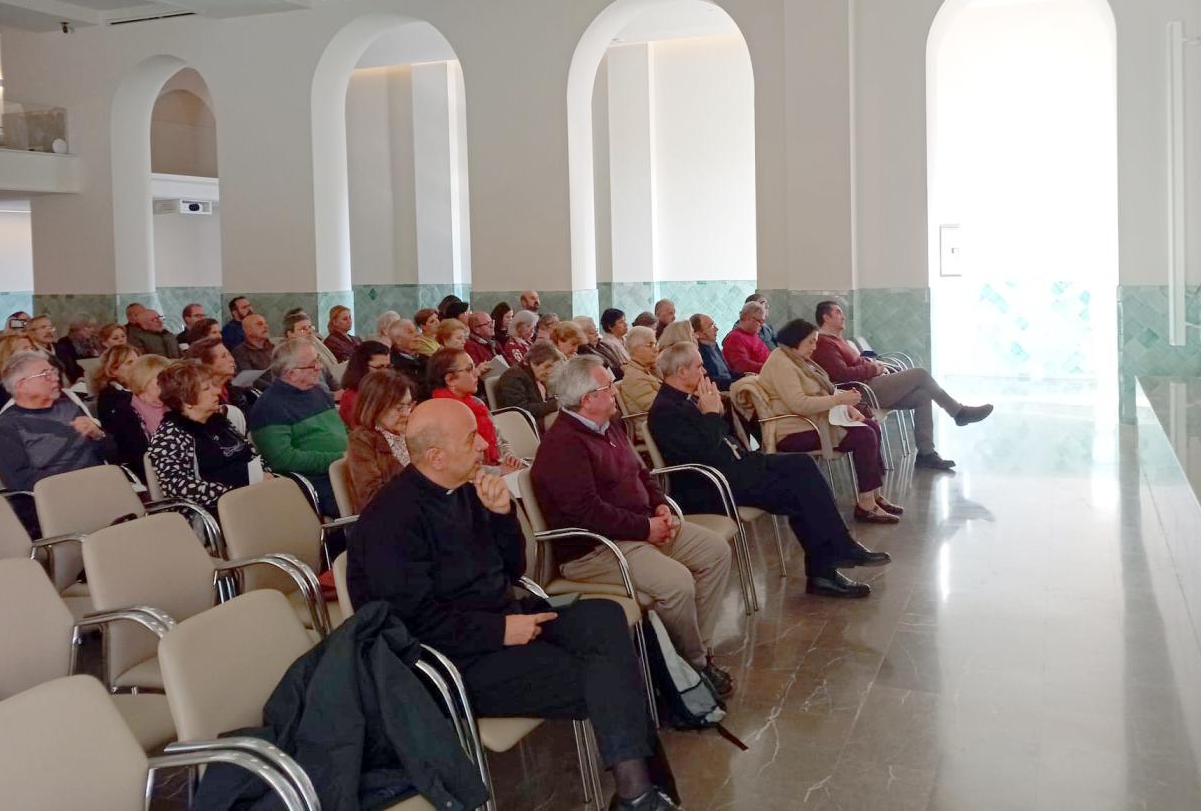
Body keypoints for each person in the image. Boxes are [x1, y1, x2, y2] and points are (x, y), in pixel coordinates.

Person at [346, 398, 678, 811]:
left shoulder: (466, 490)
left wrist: (502, 514)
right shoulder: (390, 521)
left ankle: (637, 794)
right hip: (449, 659)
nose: (485, 445)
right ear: (436, 456)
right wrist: (499, 631)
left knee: (605, 618)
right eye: (472, 439)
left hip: (500, 619)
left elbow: (511, 570)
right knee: (603, 674)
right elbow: (407, 623)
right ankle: (641, 794)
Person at [533, 357, 734, 692]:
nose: (616, 391)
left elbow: (641, 472)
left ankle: (691, 653)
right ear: (587, 399)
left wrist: (658, 504)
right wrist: (645, 528)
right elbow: (586, 513)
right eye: (608, 386)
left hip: (639, 527)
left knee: (715, 551)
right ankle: (690, 670)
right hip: (596, 548)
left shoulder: (609, 424)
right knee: (677, 583)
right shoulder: (563, 445)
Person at [649, 342, 890, 597]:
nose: (705, 371)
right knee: (799, 492)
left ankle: (837, 553)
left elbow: (722, 437)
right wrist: (711, 414)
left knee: (802, 464)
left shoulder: (689, 399)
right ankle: (825, 570)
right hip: (713, 485)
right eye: (699, 366)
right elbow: (704, 453)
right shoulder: (665, 410)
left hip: (735, 466)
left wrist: (715, 412)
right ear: (681, 371)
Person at [812, 300, 991, 471]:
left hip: (871, 385)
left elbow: (857, 362)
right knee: (920, 373)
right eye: (838, 312)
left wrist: (873, 365)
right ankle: (959, 412)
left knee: (923, 395)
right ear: (826, 317)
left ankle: (926, 454)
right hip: (861, 391)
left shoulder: (839, 340)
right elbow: (842, 374)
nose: (843, 316)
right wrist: (872, 369)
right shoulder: (823, 343)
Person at [759, 319, 900, 524]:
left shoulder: (797, 358)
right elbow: (799, 404)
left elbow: (826, 389)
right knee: (864, 435)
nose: (814, 348)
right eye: (810, 342)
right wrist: (839, 400)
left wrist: (847, 406)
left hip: (812, 422)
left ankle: (874, 495)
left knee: (871, 426)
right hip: (793, 430)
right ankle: (866, 504)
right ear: (795, 340)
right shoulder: (780, 362)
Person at [0, 352, 114, 528]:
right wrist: (76, 486)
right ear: (21, 386)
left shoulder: (69, 406)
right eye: (45, 374)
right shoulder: (7, 426)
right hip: (54, 503)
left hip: (100, 490)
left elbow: (113, 454)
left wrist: (98, 435)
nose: (55, 378)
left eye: (53, 371)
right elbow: (19, 478)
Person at [150, 360, 268, 515]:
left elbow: (251, 454)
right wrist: (235, 493)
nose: (217, 391)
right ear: (187, 401)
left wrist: (265, 474)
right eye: (206, 389)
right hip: (218, 511)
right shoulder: (169, 437)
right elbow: (179, 488)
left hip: (253, 497)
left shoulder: (219, 421)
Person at [247, 339, 348, 516]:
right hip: (316, 481)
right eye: (312, 364)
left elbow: (341, 430)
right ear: (291, 373)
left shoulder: (318, 392)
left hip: (346, 468)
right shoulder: (269, 407)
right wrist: (339, 458)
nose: (319, 368)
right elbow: (283, 459)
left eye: (318, 361)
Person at [429, 348, 523, 469]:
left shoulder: (476, 402)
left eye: (474, 367)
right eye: (469, 369)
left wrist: (511, 459)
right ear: (450, 380)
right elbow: (458, 466)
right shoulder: (440, 414)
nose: (476, 373)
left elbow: (501, 440)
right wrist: (498, 471)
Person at [343, 368, 413, 513]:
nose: (407, 413)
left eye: (409, 405)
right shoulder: (362, 440)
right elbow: (371, 497)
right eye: (399, 408)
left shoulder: (413, 431)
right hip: (391, 518)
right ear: (376, 407)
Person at [99, 353, 172, 481]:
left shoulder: (176, 405)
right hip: (156, 479)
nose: (170, 385)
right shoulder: (125, 415)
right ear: (143, 381)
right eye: (162, 380)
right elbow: (137, 462)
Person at [493, 340, 563, 422]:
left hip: (537, 420)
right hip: (522, 424)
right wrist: (555, 404)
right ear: (533, 361)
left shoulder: (536, 375)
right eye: (547, 366)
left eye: (551, 367)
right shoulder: (512, 377)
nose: (549, 371)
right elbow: (521, 410)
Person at [338, 341, 393, 428]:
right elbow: (363, 431)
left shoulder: (389, 389)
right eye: (379, 367)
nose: (386, 372)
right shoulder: (351, 397)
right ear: (362, 367)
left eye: (388, 367)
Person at [282, 312, 342, 390]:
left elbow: (332, 381)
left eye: (310, 327)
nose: (309, 331)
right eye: (303, 329)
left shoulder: (314, 348)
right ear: (290, 334)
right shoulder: (288, 357)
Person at [87, 344, 139, 430]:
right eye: (130, 363)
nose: (137, 366)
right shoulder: (111, 398)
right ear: (113, 370)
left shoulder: (137, 390)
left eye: (138, 362)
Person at [619, 326, 662, 415]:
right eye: (650, 345)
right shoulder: (634, 377)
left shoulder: (646, 370)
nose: (656, 349)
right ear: (635, 349)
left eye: (655, 344)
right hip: (648, 426)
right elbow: (657, 406)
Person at [722, 302, 771, 376]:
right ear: (747, 318)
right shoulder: (734, 338)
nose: (762, 325)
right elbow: (742, 366)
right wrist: (770, 367)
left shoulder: (753, 334)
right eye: (760, 321)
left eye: (763, 321)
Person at [690, 314, 735, 390]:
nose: (716, 329)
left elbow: (727, 372)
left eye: (714, 324)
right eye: (711, 326)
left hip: (730, 384)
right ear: (699, 334)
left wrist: (745, 375)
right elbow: (709, 379)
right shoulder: (697, 353)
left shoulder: (714, 345)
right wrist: (735, 383)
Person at [53, 314, 101, 383]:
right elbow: (69, 368)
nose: (92, 330)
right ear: (77, 327)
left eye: (93, 327)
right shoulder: (64, 343)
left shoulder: (94, 342)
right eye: (89, 327)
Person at [389, 319, 429, 397]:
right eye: (410, 332)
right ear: (398, 340)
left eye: (416, 331)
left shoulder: (426, 359)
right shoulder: (392, 366)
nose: (417, 335)